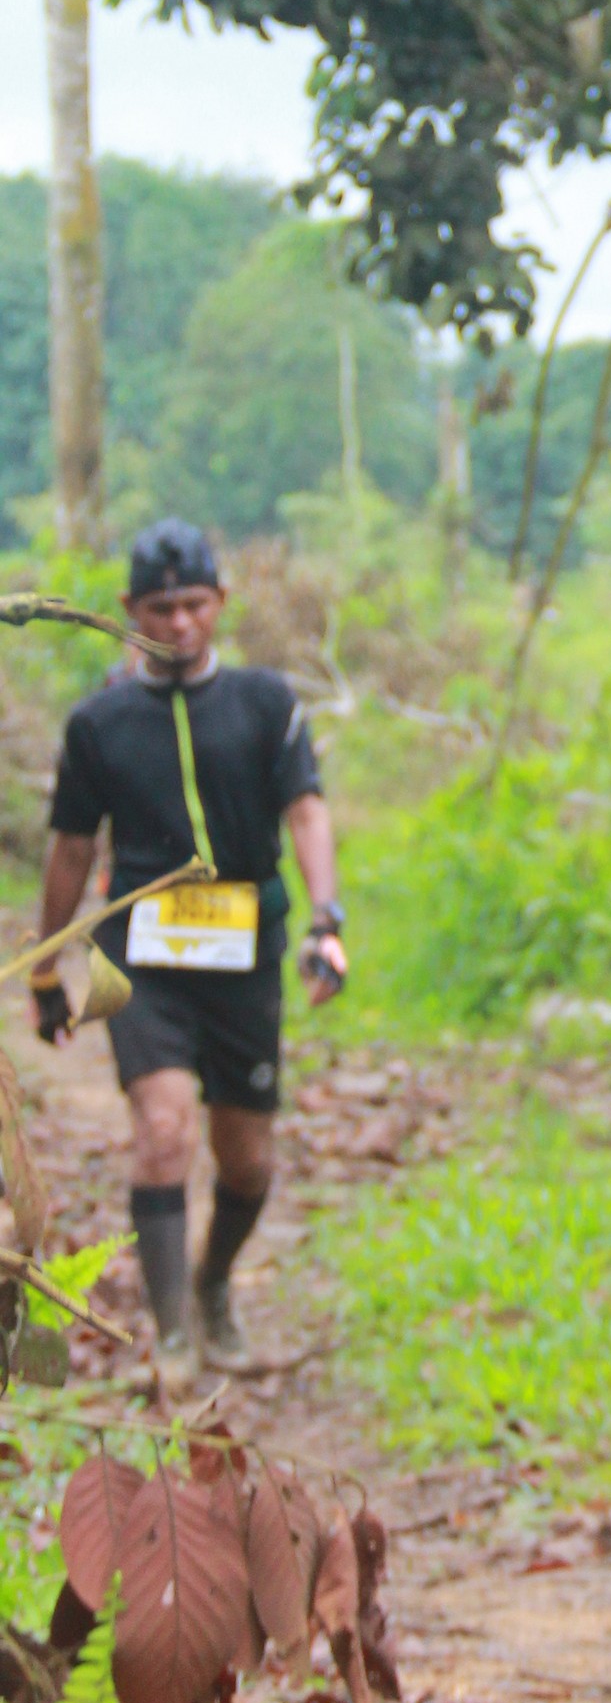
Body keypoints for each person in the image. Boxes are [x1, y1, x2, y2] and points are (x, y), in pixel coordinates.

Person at [25, 518, 347, 1380]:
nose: (178, 623)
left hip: (244, 956)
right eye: (160, 608)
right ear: (128, 609)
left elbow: (306, 810)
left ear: (221, 603)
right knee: (163, 1129)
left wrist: (327, 919)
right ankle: (170, 1336)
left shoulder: (265, 704)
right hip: (143, 960)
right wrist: (47, 968)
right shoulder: (99, 724)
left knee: (247, 1157)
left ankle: (213, 1287)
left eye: (194, 605)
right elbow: (71, 848)